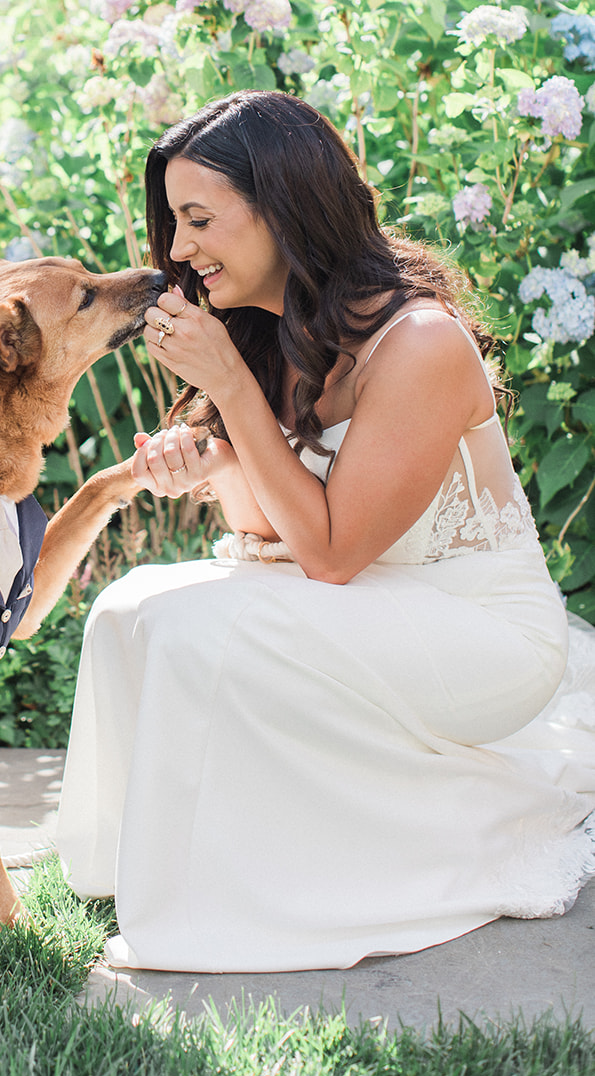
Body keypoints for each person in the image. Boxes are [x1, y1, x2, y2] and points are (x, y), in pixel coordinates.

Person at [54, 90, 595, 973]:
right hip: (373, 606)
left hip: (483, 638)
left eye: (197, 219)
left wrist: (228, 390)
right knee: (131, 603)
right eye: (172, 223)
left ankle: (236, 893)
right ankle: (132, 862)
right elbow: (272, 535)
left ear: (287, 209)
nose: (177, 250)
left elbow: (334, 555)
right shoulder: (278, 337)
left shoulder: (418, 343)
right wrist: (220, 465)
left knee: (200, 626)